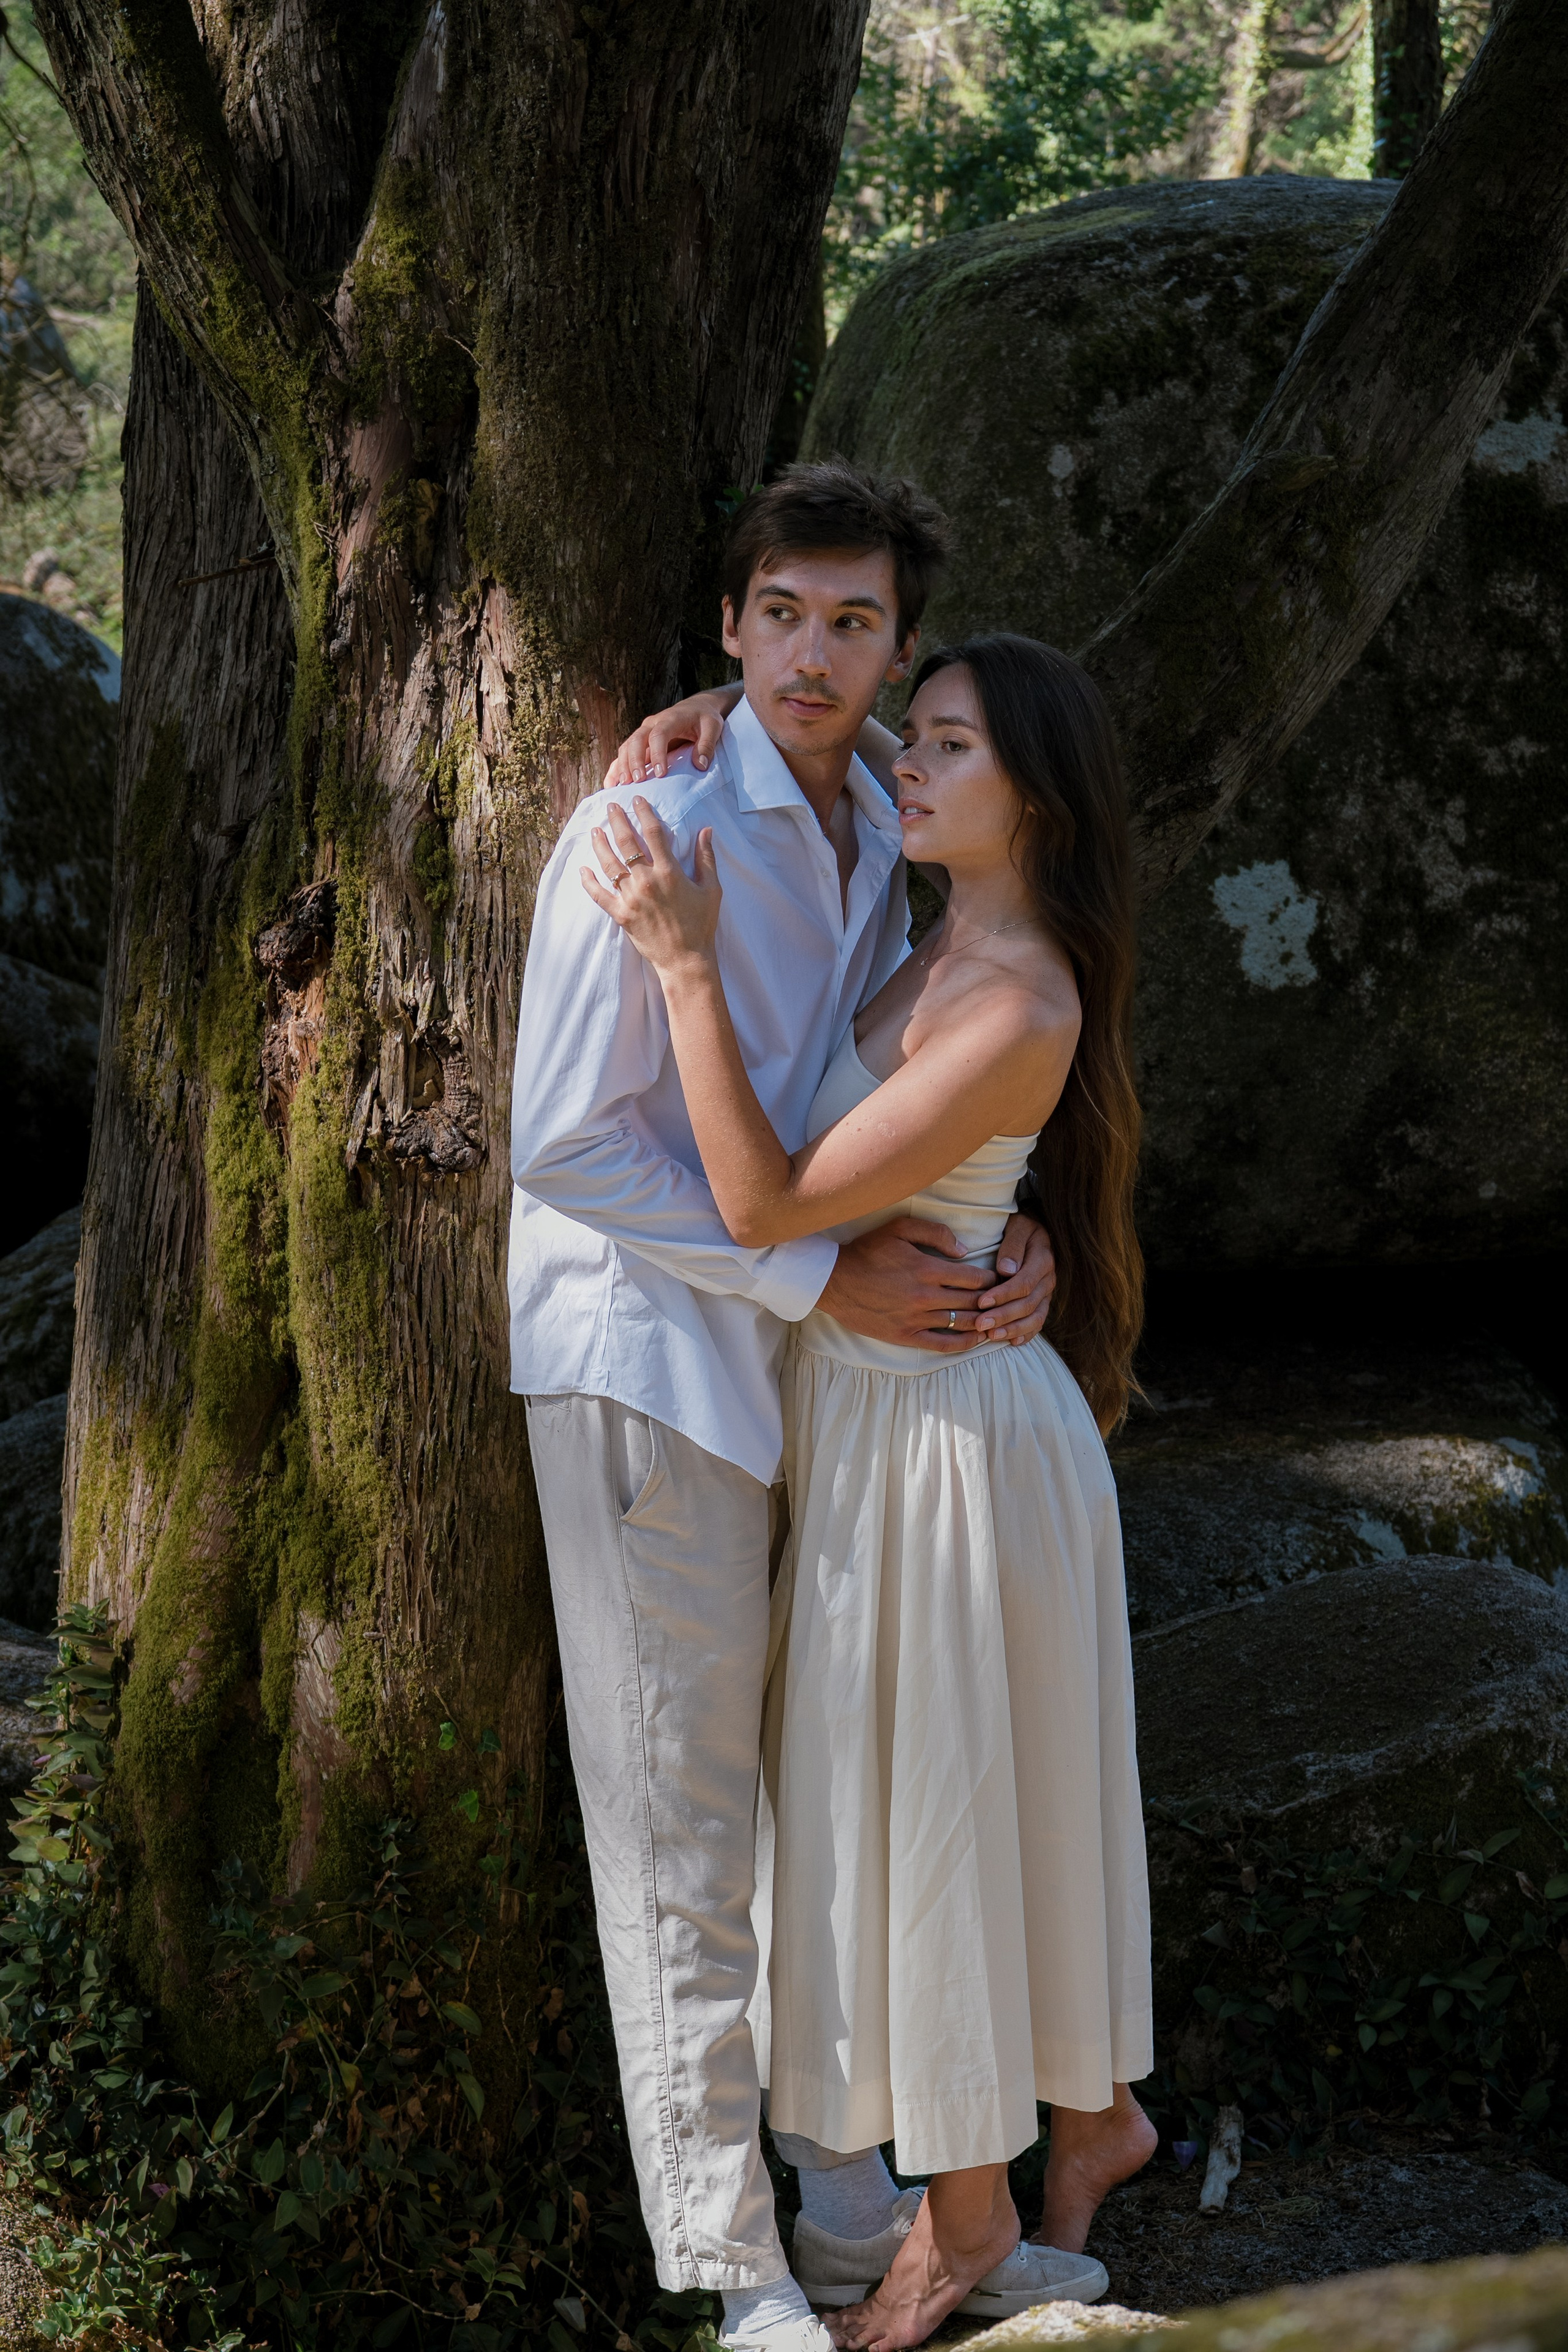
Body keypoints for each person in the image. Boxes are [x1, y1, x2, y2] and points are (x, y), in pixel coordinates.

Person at [508, 462, 1060, 2352]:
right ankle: (733, 2272)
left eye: (853, 623)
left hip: (814, 1381)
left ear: (899, 651)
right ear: (731, 625)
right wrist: (818, 1281)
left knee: (820, 1799)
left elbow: (912, 1076)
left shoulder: (882, 820)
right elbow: (566, 1145)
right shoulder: (652, 825)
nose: (811, 655)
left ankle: (845, 2215)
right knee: (679, 1827)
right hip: (647, 1363)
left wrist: (1005, 1232)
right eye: (780, 616)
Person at [580, 632, 1156, 2351]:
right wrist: (708, 704)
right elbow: (861, 732)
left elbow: (768, 1209)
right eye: (920, 734)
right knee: (901, 1813)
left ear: (1034, 795)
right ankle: (1093, 2126)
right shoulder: (936, 929)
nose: (911, 762)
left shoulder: (1019, 997)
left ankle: (969, 2212)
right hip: (882, 1427)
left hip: (953, 1451)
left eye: (952, 745)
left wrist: (682, 964)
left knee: (941, 1817)